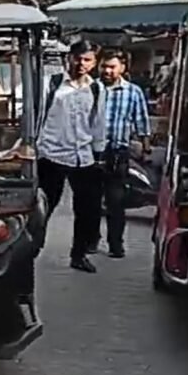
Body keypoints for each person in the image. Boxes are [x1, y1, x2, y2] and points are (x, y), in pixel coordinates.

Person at [36, 38, 106, 274]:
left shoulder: (96, 89)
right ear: (69, 58)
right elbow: (35, 112)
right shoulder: (52, 83)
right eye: (78, 58)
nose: (81, 64)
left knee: (87, 210)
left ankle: (79, 255)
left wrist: (99, 153)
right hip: (51, 154)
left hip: (83, 156)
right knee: (44, 206)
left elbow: (98, 123)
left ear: (94, 63)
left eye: (87, 60)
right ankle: (32, 247)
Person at [90, 50, 152, 259]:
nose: (107, 71)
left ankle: (116, 244)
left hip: (118, 154)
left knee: (116, 202)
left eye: (112, 67)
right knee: (91, 201)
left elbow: (141, 121)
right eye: (104, 66)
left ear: (122, 68)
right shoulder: (91, 89)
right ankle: (90, 241)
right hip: (92, 152)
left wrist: (145, 147)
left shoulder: (132, 92)